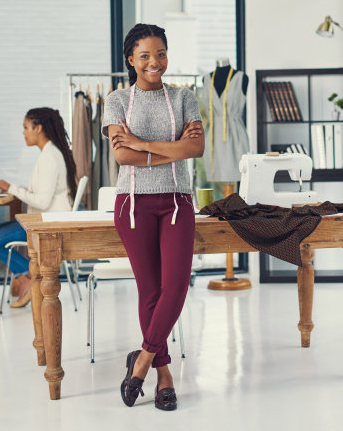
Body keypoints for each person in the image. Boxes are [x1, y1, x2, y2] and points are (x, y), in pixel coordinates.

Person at [103, 23, 204, 412]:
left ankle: (141, 361)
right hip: (133, 204)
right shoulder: (116, 101)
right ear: (131, 60)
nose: (154, 62)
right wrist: (171, 148)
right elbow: (121, 157)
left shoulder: (184, 98)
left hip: (178, 201)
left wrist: (143, 143)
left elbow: (195, 148)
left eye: (160, 54)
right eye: (144, 55)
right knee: (150, 291)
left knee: (175, 287)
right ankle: (165, 375)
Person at [0, 107, 78, 308]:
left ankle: (27, 278)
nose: (23, 132)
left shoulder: (50, 157)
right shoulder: (52, 153)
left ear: (38, 128)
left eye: (26, 127)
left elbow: (41, 202)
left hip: (45, 224)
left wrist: (11, 188)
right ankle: (26, 278)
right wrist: (11, 187)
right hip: (43, 219)